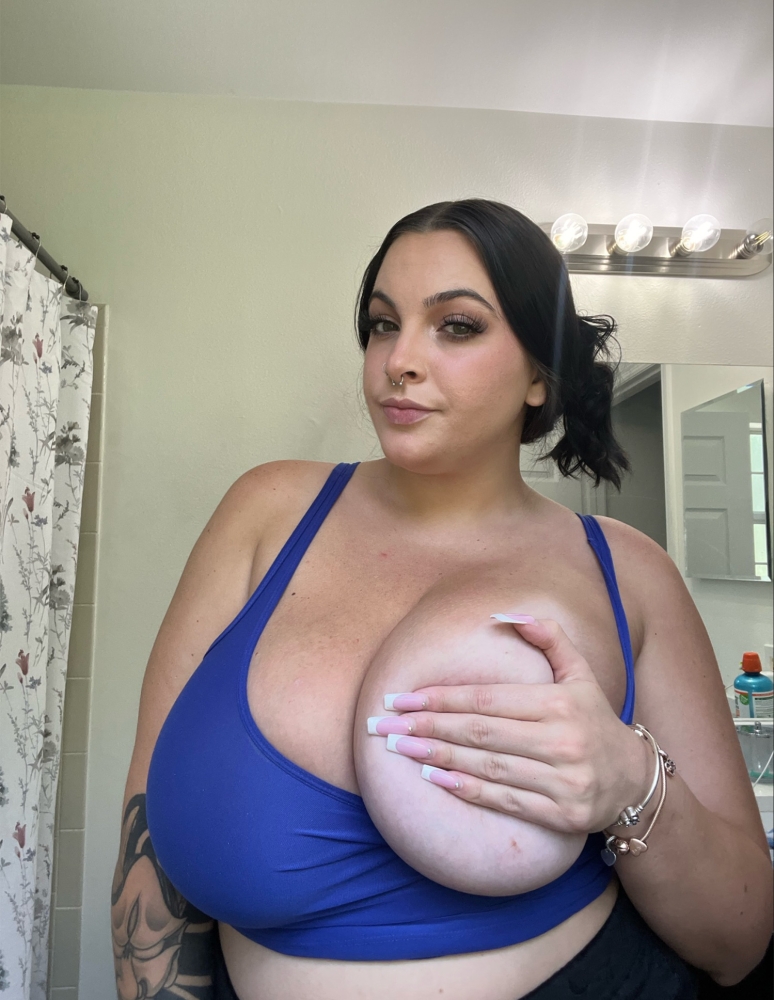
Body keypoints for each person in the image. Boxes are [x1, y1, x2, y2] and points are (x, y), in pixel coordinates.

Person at [111, 200, 772, 1000]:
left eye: (456, 326)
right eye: (383, 325)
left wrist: (630, 782)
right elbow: (146, 848)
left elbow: (739, 941)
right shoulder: (266, 515)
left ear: (540, 373)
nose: (400, 360)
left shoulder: (630, 574)